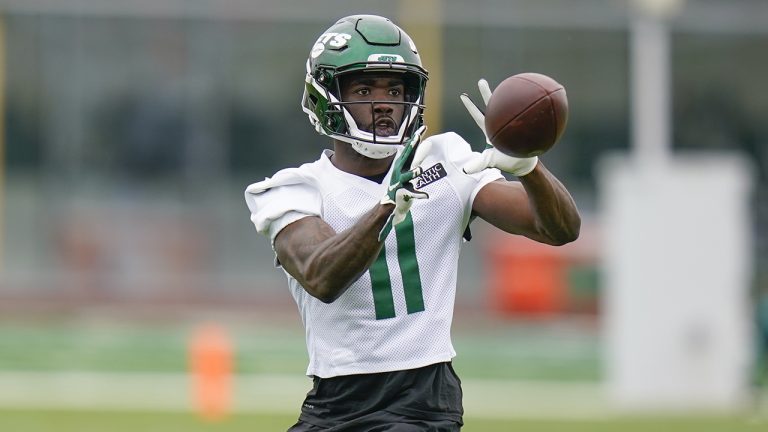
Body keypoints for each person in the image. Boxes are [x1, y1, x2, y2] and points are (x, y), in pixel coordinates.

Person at [244, 14, 580, 431]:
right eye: (364, 89)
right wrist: (386, 207)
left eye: (395, 89)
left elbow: (560, 229)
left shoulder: (445, 160)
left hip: (422, 402)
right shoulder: (294, 188)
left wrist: (529, 167)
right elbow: (322, 275)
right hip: (334, 403)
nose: (384, 102)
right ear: (325, 97)